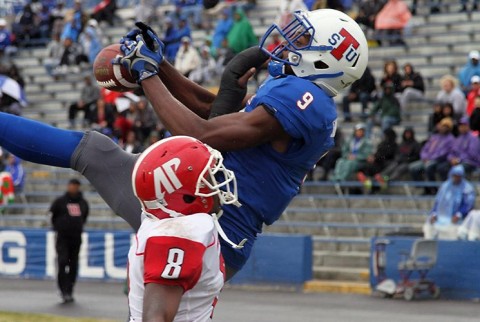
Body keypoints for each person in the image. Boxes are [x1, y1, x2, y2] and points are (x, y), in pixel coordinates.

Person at [0, 9, 369, 279]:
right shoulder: (299, 95)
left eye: (303, 40)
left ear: (328, 58)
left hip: (215, 226)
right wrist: (161, 66)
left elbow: (203, 134)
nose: (289, 42)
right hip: (191, 202)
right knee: (95, 151)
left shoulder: (308, 99)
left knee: (96, 153)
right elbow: (210, 110)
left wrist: (147, 76)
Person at [128, 135, 237, 321]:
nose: (216, 184)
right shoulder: (182, 230)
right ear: (185, 194)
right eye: (208, 177)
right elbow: (155, 317)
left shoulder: (161, 221)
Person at [50, 178, 89, 303]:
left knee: (73, 265)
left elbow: (84, 216)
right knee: (62, 262)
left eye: (75, 186)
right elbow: (52, 216)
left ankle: (69, 290)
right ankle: (63, 290)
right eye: (71, 185)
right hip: (62, 238)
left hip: (76, 238)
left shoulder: (83, 203)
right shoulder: (60, 202)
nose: (73, 188)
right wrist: (58, 227)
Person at [423, 165, 475, 240]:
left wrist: (458, 215)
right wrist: (434, 214)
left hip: (457, 218)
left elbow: (467, 206)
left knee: (453, 230)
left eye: (458, 176)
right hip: (441, 217)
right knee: (429, 226)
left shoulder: (467, 188)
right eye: (454, 176)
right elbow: (437, 202)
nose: (456, 178)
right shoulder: (445, 186)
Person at [409, 117, 455, 194]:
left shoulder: (450, 139)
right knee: (413, 168)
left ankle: (433, 189)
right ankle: (424, 188)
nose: (443, 128)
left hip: (439, 160)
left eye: (446, 126)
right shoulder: (434, 137)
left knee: (429, 167)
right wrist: (424, 157)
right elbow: (425, 149)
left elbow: (444, 153)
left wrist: (430, 158)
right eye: (442, 126)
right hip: (427, 159)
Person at [356, 127, 397, 193]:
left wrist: (376, 158)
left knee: (374, 168)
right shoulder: (382, 144)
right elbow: (377, 153)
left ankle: (375, 183)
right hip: (378, 161)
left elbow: (388, 155)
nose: (384, 136)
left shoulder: (393, 145)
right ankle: (367, 180)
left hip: (385, 162)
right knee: (365, 166)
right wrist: (373, 157)